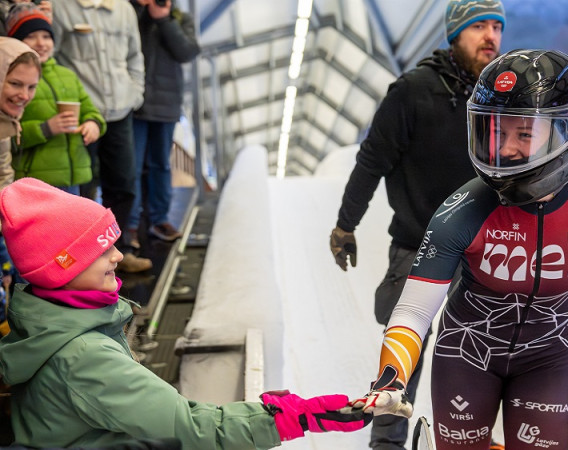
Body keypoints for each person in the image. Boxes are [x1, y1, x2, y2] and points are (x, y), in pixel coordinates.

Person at [350, 49, 568, 450]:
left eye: (524, 134)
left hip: (549, 361)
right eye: (496, 132)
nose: (506, 150)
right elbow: (415, 310)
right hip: (465, 356)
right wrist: (391, 377)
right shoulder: (461, 210)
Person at [0, 177, 372, 449]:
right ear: (60, 269)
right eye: (99, 250)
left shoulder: (47, 322)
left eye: (113, 243)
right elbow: (192, 429)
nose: (117, 256)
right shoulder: (85, 357)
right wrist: (292, 418)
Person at [329, 1, 505, 448]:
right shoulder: (413, 90)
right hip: (419, 244)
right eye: (479, 26)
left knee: (481, 354)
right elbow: (372, 160)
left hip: (483, 248)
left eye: (497, 27)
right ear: (454, 34)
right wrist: (345, 225)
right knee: (403, 359)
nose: (491, 37)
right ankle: (387, 444)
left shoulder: (498, 96)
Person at [51, 0, 152, 273]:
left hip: (121, 111)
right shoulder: (61, 7)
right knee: (83, 188)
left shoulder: (124, 9)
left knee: (123, 184)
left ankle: (120, 251)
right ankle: (85, 260)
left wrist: (135, 94)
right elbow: (52, 55)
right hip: (82, 113)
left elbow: (134, 56)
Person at [6, 3, 105, 195]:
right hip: (35, 183)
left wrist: (93, 124)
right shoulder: (11, 80)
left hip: (75, 180)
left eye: (46, 36)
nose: (41, 43)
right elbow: (6, 137)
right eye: (30, 36)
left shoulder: (67, 75)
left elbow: (91, 111)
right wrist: (45, 128)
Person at [128, 0, 200, 247]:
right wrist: (140, 9)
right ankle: (130, 225)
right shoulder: (129, 12)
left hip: (167, 105)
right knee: (132, 167)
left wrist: (163, 19)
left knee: (161, 164)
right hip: (133, 103)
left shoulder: (179, 18)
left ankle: (160, 220)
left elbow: (188, 51)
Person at [0, 36, 38, 191]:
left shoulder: (5, 119)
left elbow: (3, 176)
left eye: (31, 87)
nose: (24, 95)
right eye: (15, 84)